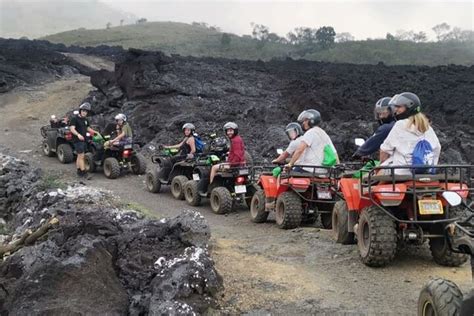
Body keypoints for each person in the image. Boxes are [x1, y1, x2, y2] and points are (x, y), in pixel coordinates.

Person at [380, 92, 441, 175]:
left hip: (400, 172)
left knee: (368, 178)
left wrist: (381, 165)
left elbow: (385, 150)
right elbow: (437, 148)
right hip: (426, 174)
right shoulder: (428, 128)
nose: (396, 110)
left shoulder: (400, 125)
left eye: (399, 107)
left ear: (409, 108)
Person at [69, 102, 98, 179]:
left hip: (84, 139)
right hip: (77, 140)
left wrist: (94, 132)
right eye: (83, 111)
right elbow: (72, 129)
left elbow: (87, 128)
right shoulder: (74, 119)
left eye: (86, 111)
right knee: (82, 156)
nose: (84, 112)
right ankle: (84, 173)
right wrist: (78, 135)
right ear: (80, 111)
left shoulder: (85, 120)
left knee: (79, 156)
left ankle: (79, 171)